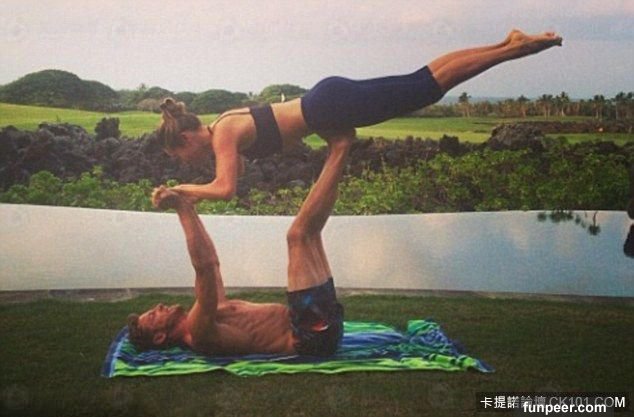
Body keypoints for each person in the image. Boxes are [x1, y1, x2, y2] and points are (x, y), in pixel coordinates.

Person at [157, 29, 563, 203]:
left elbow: (225, 188)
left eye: (179, 155)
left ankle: (513, 50)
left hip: (329, 107)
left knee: (427, 86)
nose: (184, 162)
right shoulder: (225, 122)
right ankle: (507, 44)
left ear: (186, 138)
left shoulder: (224, 135)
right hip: (326, 98)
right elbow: (238, 171)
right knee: (420, 79)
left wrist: (180, 190)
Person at [127, 131, 354, 356]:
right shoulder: (199, 332)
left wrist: (188, 207)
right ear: (160, 337)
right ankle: (340, 146)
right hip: (310, 338)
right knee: (298, 235)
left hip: (316, 327)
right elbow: (204, 269)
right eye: (153, 316)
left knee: (310, 234)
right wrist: (181, 208)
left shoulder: (212, 311)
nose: (159, 307)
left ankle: (340, 147)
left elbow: (212, 264)